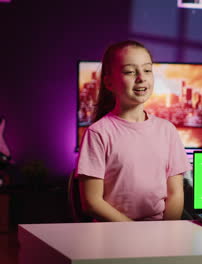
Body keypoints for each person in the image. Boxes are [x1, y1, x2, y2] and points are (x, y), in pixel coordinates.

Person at [76, 40, 191, 221]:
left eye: (147, 70)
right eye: (130, 72)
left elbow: (175, 193)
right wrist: (134, 231)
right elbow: (92, 202)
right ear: (109, 82)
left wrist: (167, 233)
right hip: (113, 235)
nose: (141, 77)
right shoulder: (98, 133)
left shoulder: (167, 130)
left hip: (159, 235)